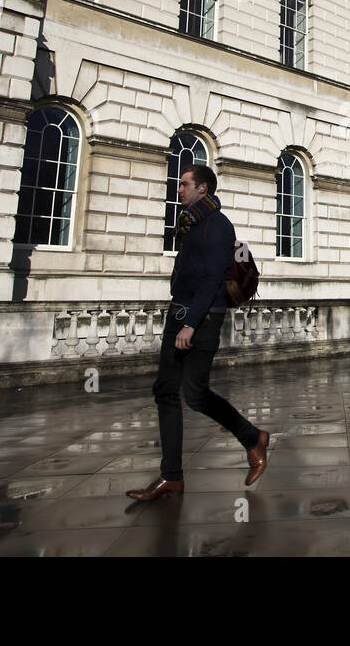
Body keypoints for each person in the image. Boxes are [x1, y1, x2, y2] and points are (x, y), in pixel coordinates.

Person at [127, 165, 269, 501]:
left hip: (203, 319)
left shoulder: (219, 226)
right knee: (165, 390)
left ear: (202, 188)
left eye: (185, 184)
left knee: (194, 393)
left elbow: (210, 280)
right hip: (180, 311)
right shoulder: (191, 224)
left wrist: (191, 323)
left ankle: (253, 438)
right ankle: (171, 476)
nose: (179, 189)